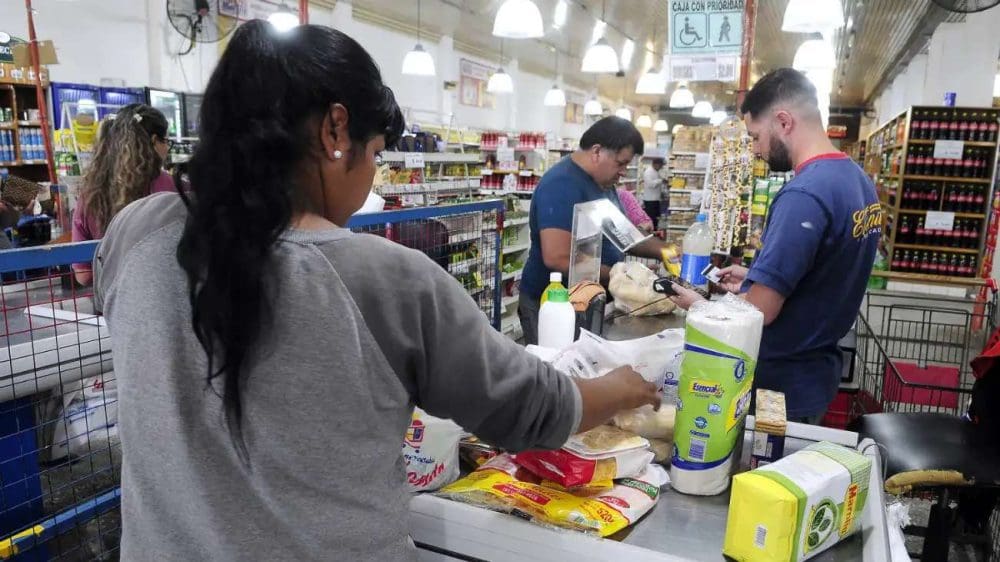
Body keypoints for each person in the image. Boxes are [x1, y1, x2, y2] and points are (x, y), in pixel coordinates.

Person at [92, 22, 658, 561]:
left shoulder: (136, 234)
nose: (371, 175)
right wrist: (621, 387)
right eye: (376, 153)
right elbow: (535, 411)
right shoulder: (388, 281)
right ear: (336, 130)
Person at [668, 68, 880, 424]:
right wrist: (757, 276)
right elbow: (825, 271)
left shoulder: (803, 194)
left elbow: (761, 312)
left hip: (780, 385)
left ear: (783, 122)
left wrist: (701, 306)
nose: (755, 150)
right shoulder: (856, 179)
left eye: (755, 137)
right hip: (816, 371)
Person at [519, 117, 666, 345]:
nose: (624, 172)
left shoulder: (602, 184)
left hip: (586, 301)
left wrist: (664, 251)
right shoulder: (560, 185)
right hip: (553, 305)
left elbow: (622, 234)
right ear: (597, 151)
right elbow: (557, 257)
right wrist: (621, 275)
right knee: (555, 374)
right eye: (620, 163)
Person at [72, 103, 176, 285]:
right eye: (166, 141)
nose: (167, 149)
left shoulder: (89, 192)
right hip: (164, 298)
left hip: (110, 307)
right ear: (153, 141)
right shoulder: (172, 187)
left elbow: (83, 275)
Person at [641, 157, 666, 225]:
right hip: (650, 200)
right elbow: (650, 184)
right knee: (651, 219)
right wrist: (661, 180)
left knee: (656, 219)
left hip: (655, 199)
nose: (661, 167)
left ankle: (655, 232)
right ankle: (651, 233)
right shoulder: (648, 172)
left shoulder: (656, 171)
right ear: (655, 164)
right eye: (660, 165)